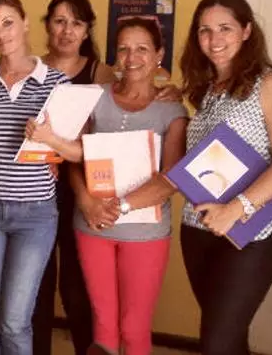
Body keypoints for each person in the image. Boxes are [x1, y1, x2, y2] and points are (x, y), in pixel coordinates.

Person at [178, 0, 272, 355]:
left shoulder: (269, 85)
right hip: (198, 229)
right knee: (229, 342)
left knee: (216, 344)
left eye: (225, 28)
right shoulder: (205, 90)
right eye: (205, 30)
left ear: (246, 31)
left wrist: (236, 209)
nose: (214, 39)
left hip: (250, 233)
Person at [0, 0, 83, 355]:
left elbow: (80, 152)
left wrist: (51, 139)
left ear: (25, 23)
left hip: (35, 215)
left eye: (7, 23)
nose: (1, 34)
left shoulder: (57, 83)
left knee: (15, 320)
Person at [70, 18, 188, 355]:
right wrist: (85, 201)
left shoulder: (173, 110)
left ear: (159, 55)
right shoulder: (95, 99)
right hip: (93, 226)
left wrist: (119, 206)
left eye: (142, 49)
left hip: (145, 234)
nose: (131, 57)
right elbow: (74, 159)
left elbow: (171, 178)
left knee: (134, 329)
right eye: (123, 49)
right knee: (103, 325)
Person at [33, 0, 113, 355]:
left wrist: (165, 91)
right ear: (47, 25)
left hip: (83, 192)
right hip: (35, 188)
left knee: (77, 286)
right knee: (38, 283)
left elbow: (130, 108)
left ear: (87, 30)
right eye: (60, 21)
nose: (67, 31)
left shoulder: (101, 74)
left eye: (76, 23)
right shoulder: (31, 68)